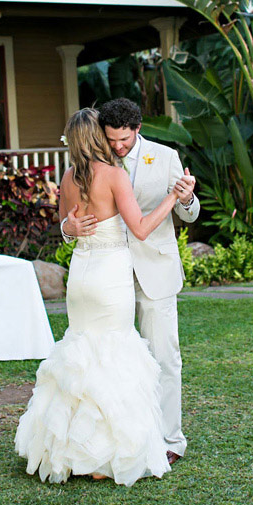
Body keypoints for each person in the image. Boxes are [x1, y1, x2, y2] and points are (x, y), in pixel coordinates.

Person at [15, 108, 179, 485]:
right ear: (98, 138)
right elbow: (138, 229)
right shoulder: (114, 176)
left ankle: (73, 453)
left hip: (80, 277)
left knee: (82, 352)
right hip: (108, 276)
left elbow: (65, 227)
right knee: (113, 354)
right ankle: (104, 457)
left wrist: (68, 227)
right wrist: (170, 198)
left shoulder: (69, 177)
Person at [61, 98, 199, 466]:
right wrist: (67, 228)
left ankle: (170, 440)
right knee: (115, 361)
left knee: (162, 359)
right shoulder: (94, 165)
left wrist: (184, 199)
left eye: (124, 139)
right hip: (111, 277)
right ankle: (126, 438)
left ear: (138, 129)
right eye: (112, 140)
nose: (118, 146)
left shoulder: (166, 156)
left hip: (153, 271)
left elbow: (190, 211)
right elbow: (70, 218)